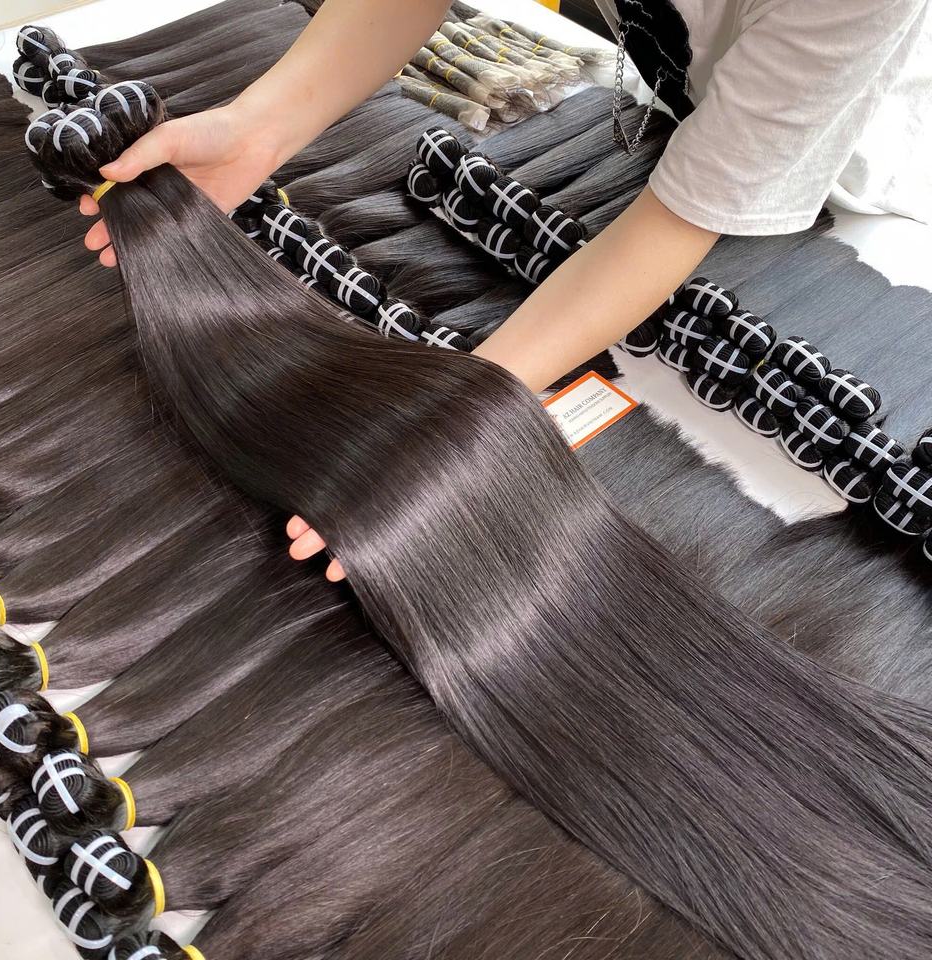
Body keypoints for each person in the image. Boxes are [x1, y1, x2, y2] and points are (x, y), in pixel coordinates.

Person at [76, 0, 931, 579]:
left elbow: (680, 220)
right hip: (688, 103)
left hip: (855, 180)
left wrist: (461, 411)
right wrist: (255, 131)